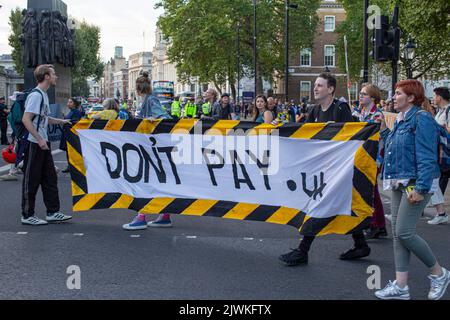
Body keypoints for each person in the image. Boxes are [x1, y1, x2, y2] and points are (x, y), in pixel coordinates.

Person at [279, 73, 371, 266]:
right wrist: (280, 129)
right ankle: (360, 243)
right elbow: (303, 134)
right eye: (315, 85)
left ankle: (303, 250)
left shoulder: (341, 108)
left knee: (320, 205)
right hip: (321, 167)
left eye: (319, 85)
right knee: (339, 204)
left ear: (330, 89)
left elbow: (348, 137)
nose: (315, 88)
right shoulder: (314, 110)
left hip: (339, 168)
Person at [375, 80, 450, 300]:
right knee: (399, 235)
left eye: (398, 94)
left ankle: (439, 273)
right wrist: (384, 131)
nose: (393, 97)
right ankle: (401, 285)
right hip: (400, 182)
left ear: (410, 97)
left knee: (405, 233)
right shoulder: (400, 119)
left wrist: (421, 187)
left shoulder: (422, 119)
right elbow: (395, 148)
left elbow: (427, 157)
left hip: (415, 183)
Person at [21, 64, 72, 226]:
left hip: (43, 143)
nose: (56, 76)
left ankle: (52, 212)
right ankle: (27, 215)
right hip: (34, 143)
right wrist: (40, 139)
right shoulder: (36, 95)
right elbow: (26, 119)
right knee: (31, 180)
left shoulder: (43, 95)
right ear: (46, 76)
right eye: (54, 74)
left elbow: (43, 119)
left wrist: (61, 121)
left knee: (50, 178)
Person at [123, 72, 172, 231]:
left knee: (143, 182)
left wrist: (154, 120)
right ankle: (164, 215)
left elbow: (165, 117)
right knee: (157, 182)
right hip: (149, 148)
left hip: (151, 149)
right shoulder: (146, 100)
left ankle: (141, 217)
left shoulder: (150, 100)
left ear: (137, 89)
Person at [353, 84, 388, 239]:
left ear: (372, 97)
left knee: (371, 190)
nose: (360, 96)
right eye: (360, 93)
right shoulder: (361, 112)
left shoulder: (377, 116)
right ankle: (379, 225)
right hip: (363, 155)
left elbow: (376, 138)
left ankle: (375, 224)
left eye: (364, 94)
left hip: (375, 157)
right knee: (371, 190)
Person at [427, 87, 450, 225]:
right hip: (441, 153)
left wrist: (438, 128)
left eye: (435, 96)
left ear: (440, 97)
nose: (433, 99)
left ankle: (440, 212)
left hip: (446, 153)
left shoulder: (448, 111)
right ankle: (439, 211)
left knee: (434, 179)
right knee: (435, 180)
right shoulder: (440, 112)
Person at [60, 98, 82, 173]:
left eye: (70, 102)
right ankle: (70, 165)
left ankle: (72, 166)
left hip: (71, 134)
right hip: (67, 133)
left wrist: (66, 121)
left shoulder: (76, 112)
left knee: (71, 150)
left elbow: (75, 122)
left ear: (75, 104)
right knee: (68, 150)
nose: (68, 103)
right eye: (68, 102)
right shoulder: (71, 111)